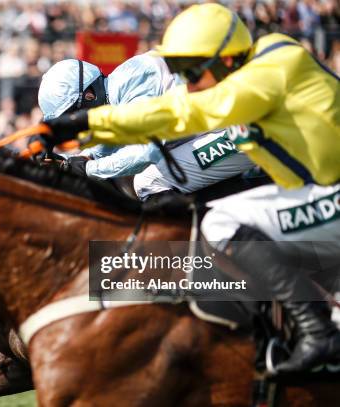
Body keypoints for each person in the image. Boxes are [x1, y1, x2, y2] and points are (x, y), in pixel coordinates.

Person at [42, 3, 340, 373]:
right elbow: (176, 112)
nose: (187, 83)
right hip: (317, 183)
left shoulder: (264, 76)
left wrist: (90, 153)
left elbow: (181, 117)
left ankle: (319, 330)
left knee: (198, 206)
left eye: (192, 72)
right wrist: (85, 131)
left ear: (226, 58)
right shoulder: (251, 65)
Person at [37, 56, 253, 200]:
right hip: (225, 123)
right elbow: (121, 134)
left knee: (147, 181)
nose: (74, 122)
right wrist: (79, 160)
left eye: (71, 114)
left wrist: (89, 169)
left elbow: (147, 150)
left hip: (245, 130)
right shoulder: (120, 85)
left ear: (89, 95)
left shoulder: (135, 81)